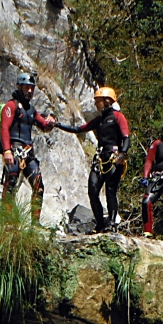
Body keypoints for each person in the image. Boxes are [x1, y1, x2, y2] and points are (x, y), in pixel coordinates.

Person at [55, 87, 130, 231]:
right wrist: (58, 125)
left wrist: (123, 153)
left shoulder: (118, 117)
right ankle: (100, 224)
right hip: (100, 158)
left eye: (98, 101)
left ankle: (113, 223)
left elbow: (126, 137)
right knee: (93, 190)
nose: (96, 104)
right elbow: (79, 129)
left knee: (110, 191)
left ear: (107, 101)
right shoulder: (100, 120)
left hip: (113, 159)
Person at [0, 71, 56, 222]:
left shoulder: (31, 110)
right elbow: (4, 128)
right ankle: (7, 220)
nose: (30, 91)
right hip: (14, 150)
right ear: (19, 87)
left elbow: (44, 126)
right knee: (11, 182)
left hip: (28, 153)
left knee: (39, 185)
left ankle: (35, 224)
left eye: (32, 88)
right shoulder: (11, 106)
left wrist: (51, 120)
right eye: (26, 88)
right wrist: (6, 150)